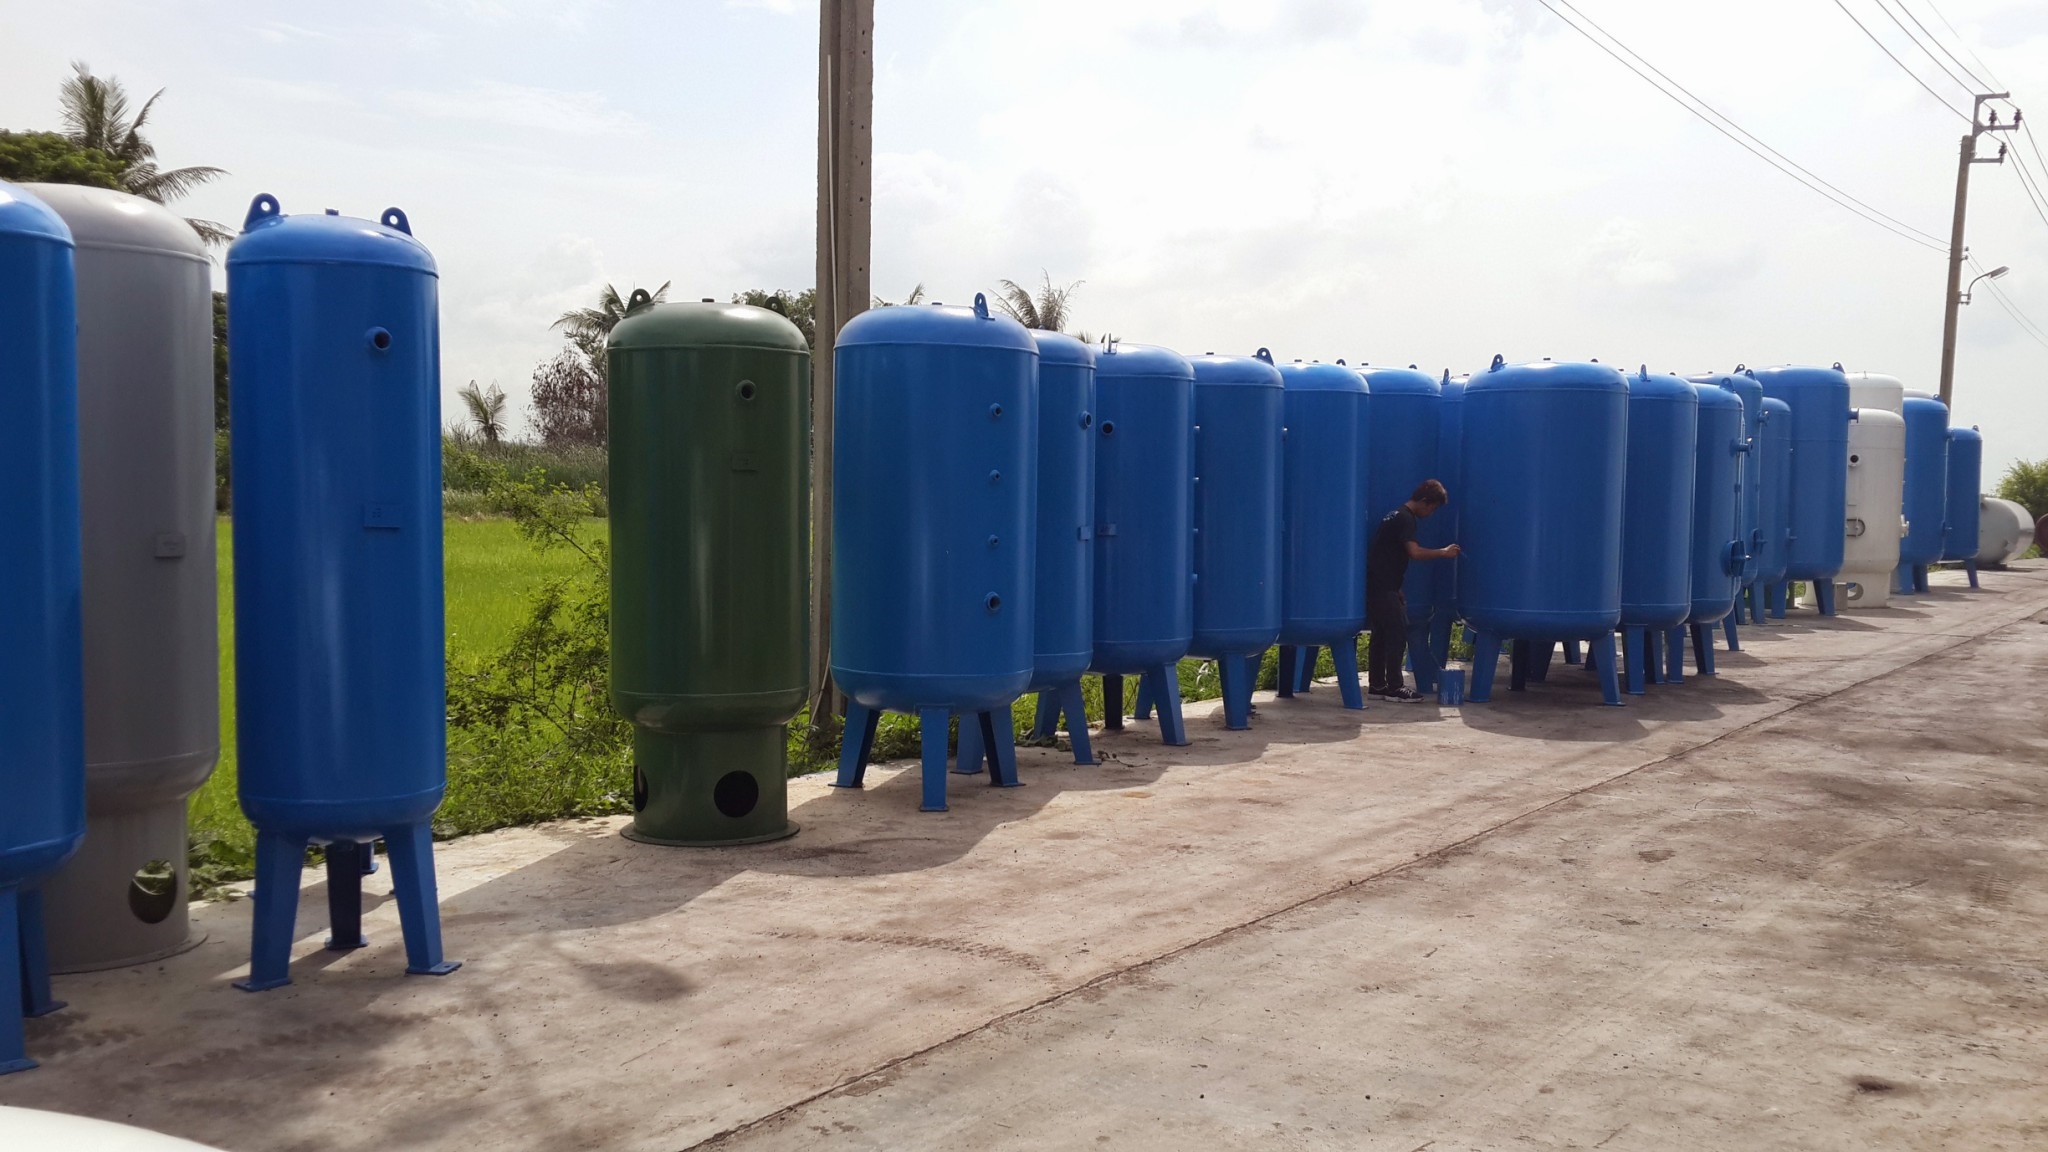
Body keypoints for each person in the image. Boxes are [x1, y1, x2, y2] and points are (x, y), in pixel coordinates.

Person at [1365, 479, 1460, 702]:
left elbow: (1385, 554)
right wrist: (1443, 552)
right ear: (1424, 501)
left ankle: (1377, 685)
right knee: (1397, 634)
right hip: (1383, 586)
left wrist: (1396, 586)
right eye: (1432, 508)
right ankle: (1395, 687)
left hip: (1379, 584)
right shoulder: (1406, 518)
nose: (1430, 513)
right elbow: (1414, 552)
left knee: (1381, 635)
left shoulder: (1393, 515)